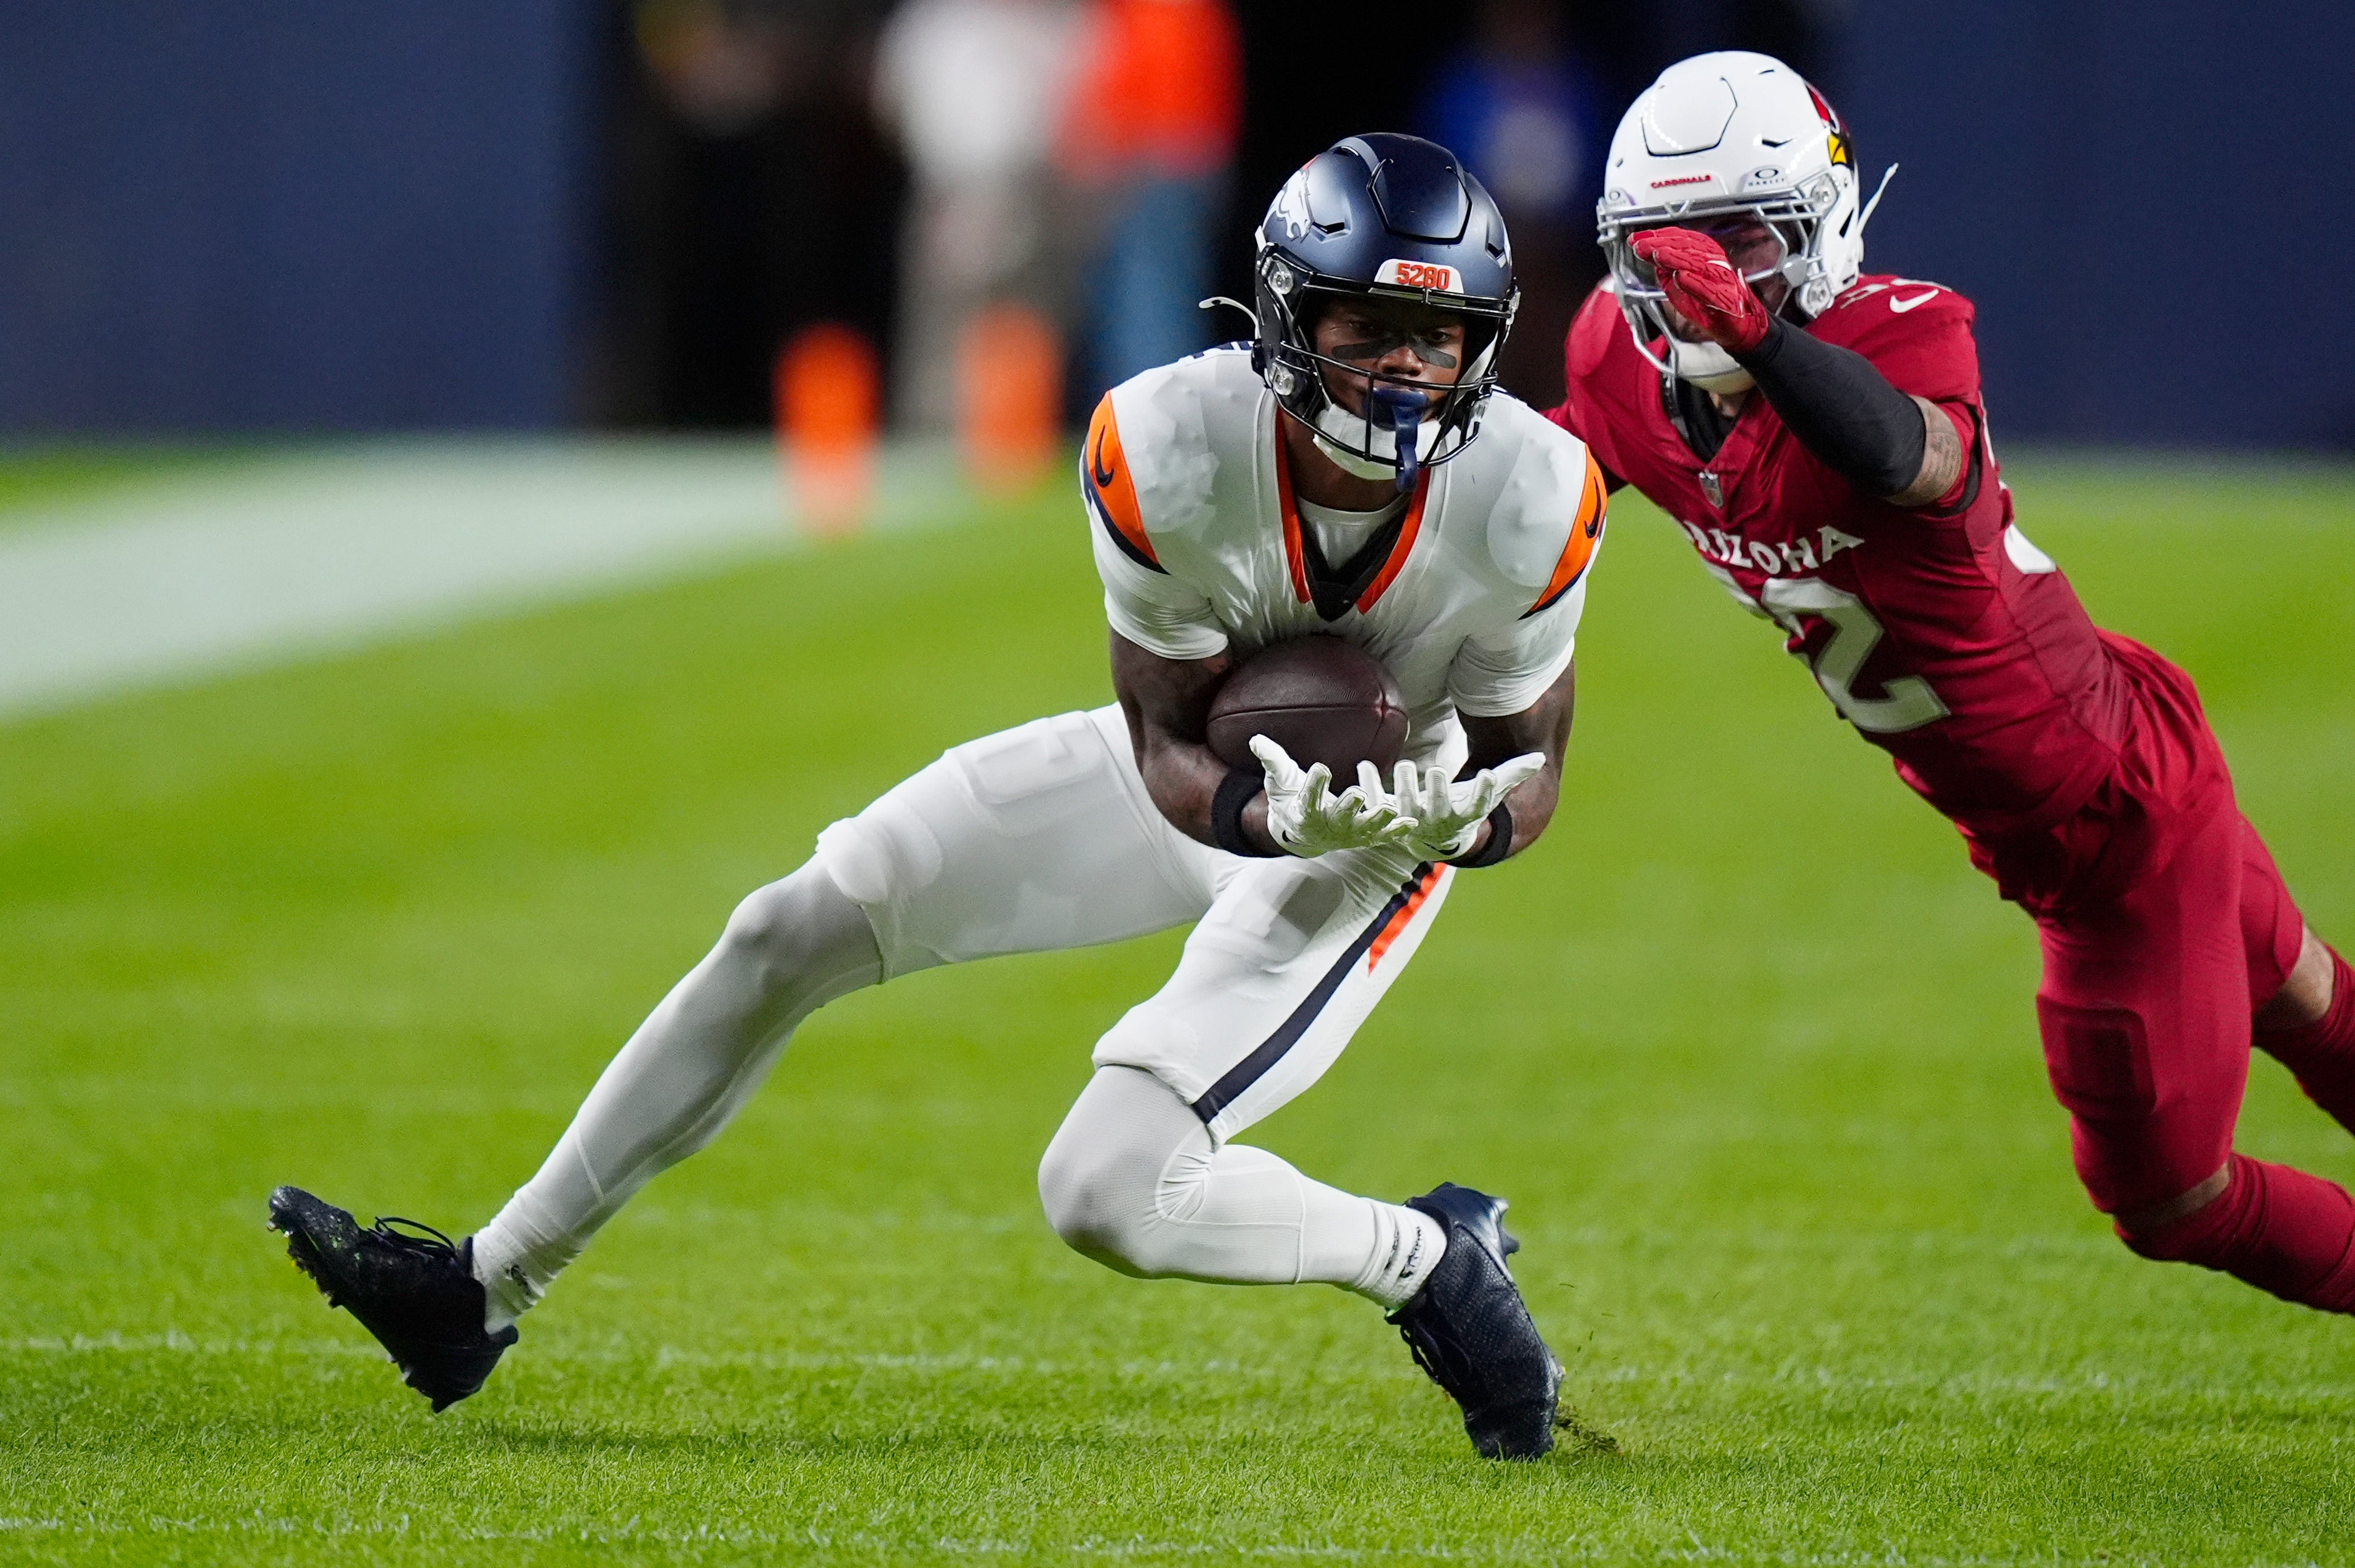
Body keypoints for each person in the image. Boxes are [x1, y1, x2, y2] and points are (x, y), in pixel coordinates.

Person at [269, 134, 1613, 1460]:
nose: (1401, 372)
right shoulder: (1168, 445)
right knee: (793, 923)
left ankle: (1428, 1258)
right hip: (1217, 779)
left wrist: (1465, 822)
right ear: (1281, 311)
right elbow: (1164, 737)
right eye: (1366, 326)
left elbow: (1529, 759)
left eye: (1435, 343)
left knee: (1106, 1189)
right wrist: (1259, 817)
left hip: (1380, 831)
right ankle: (478, 1292)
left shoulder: (1529, 492)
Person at [1548, 52, 2355, 1312]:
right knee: (2301, 994)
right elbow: (1538, 498)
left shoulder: (1904, 333)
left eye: (1740, 243)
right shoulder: (1615, 366)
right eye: (1665, 250)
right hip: (2080, 769)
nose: (1697, 281)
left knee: (2171, 1203)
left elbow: (1906, 459)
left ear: (1819, 225)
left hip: (2112, 821)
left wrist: (1754, 333)